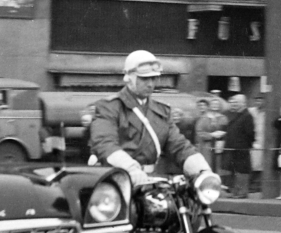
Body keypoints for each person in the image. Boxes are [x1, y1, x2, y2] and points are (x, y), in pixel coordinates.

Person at [89, 49, 219, 192]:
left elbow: (180, 146)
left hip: (151, 182)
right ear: (129, 77)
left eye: (154, 78)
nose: (151, 84)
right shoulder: (109, 107)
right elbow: (104, 143)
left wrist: (202, 170)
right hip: (117, 182)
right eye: (144, 78)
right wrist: (130, 169)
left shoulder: (161, 111)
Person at [220, 93, 255, 198]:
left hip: (242, 148)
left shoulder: (247, 116)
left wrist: (246, 145)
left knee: (242, 170)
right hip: (233, 148)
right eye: (233, 102)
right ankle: (236, 191)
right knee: (235, 170)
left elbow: (250, 133)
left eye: (236, 102)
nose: (234, 104)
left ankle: (242, 192)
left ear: (243, 103)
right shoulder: (237, 115)